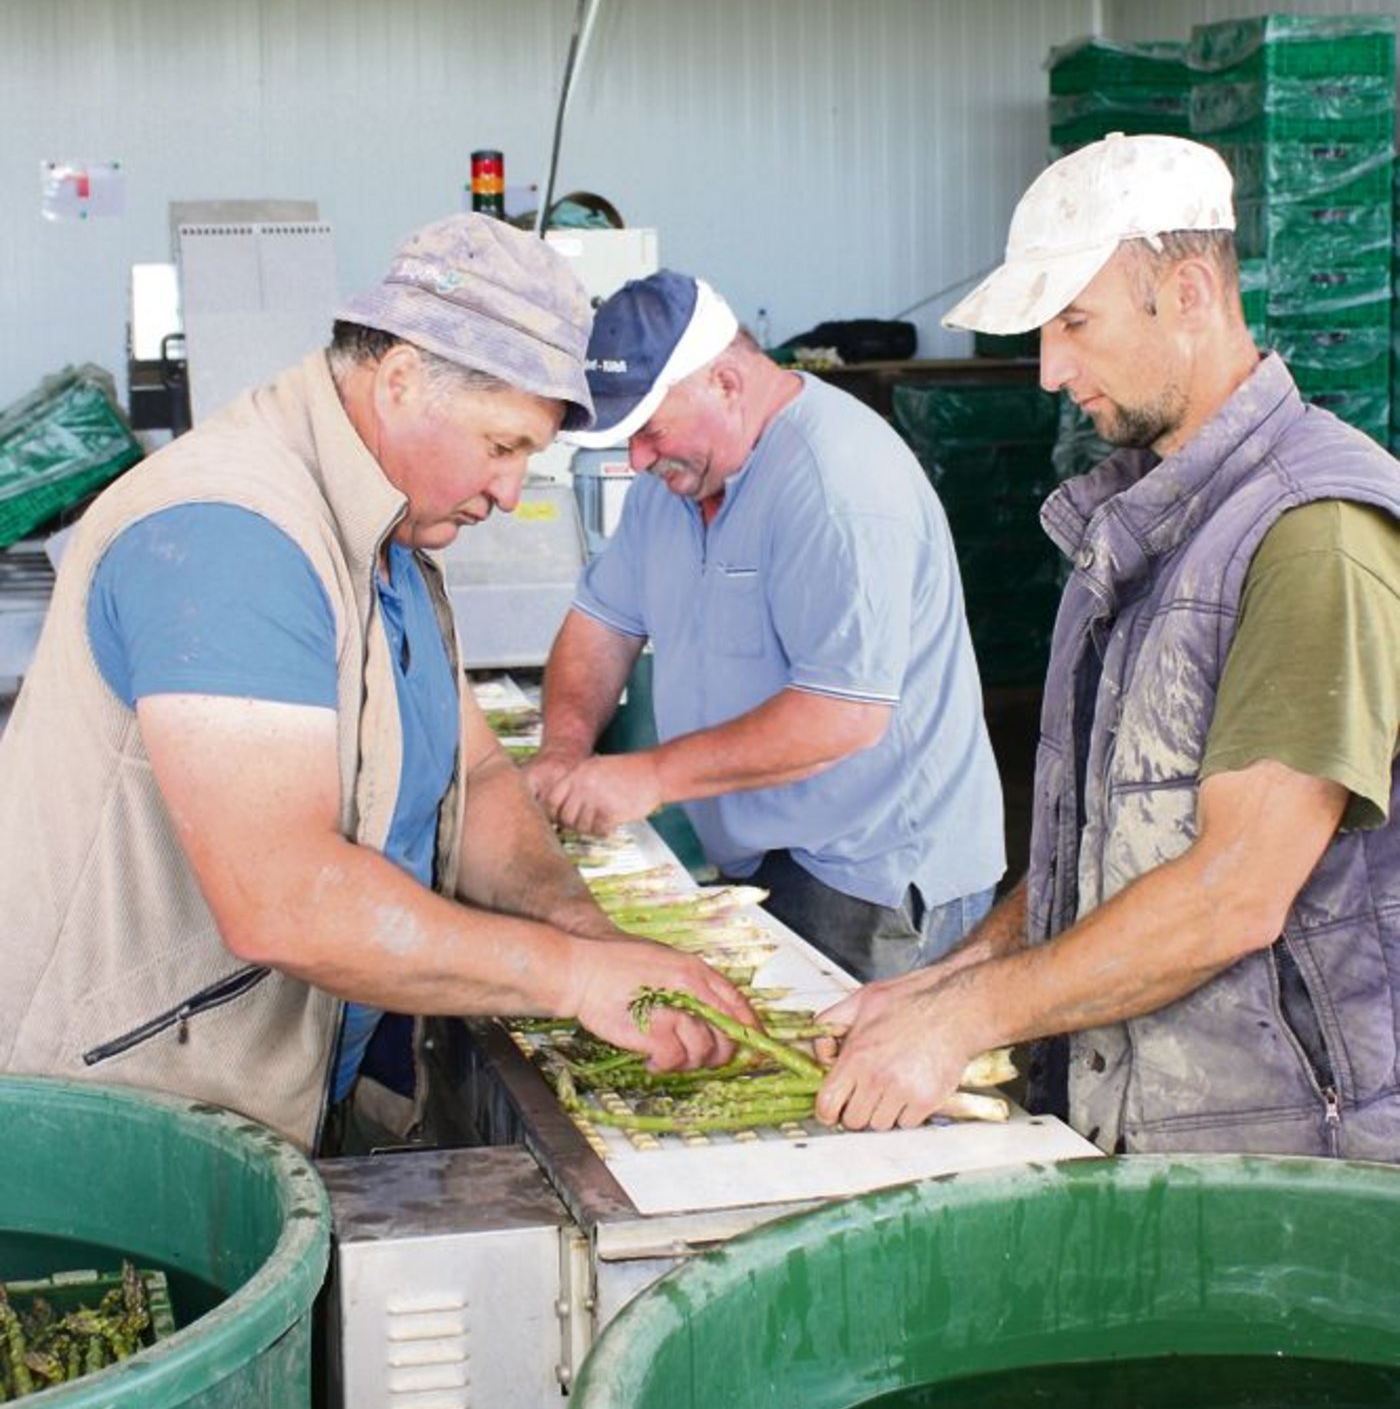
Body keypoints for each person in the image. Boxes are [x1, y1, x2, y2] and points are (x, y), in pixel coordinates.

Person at [0, 215, 754, 1152]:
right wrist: (568, 977)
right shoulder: (232, 534)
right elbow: (283, 897)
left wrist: (588, 933)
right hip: (122, 1131)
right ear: (401, 381)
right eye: (503, 445)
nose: (514, 492)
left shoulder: (390, 540)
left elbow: (473, 777)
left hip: (274, 1101)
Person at [815, 131, 1400, 1158]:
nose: (1048, 371)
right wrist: (946, 978)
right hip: (1154, 1127)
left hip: (1287, 1162)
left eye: (1073, 323)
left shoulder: (1311, 532)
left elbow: (1231, 894)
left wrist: (962, 1023)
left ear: (1184, 293)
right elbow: (1101, 846)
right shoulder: (1147, 520)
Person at [525, 269, 1005, 983]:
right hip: (768, 856)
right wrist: (563, 749)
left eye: (650, 431)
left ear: (725, 381)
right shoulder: (678, 482)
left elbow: (843, 714)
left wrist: (651, 776)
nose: (638, 459)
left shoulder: (837, 485)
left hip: (872, 882)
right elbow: (603, 622)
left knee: (869, 1087)